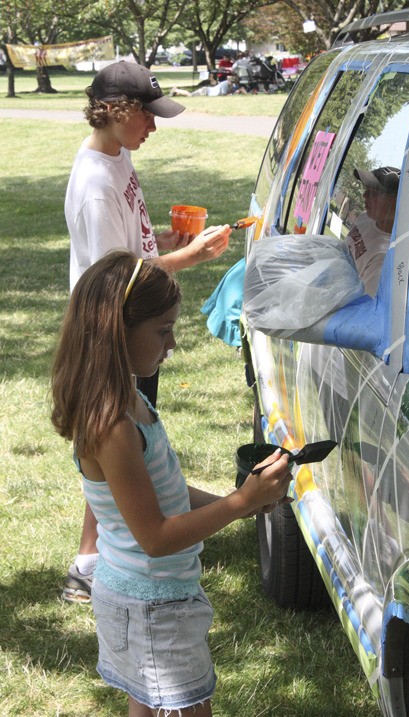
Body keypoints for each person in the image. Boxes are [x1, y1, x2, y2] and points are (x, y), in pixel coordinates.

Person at [50, 251, 292, 717]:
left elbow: (168, 495)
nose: (173, 342)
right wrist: (242, 500)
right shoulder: (113, 426)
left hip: (145, 599)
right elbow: (156, 538)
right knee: (188, 707)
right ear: (116, 331)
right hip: (151, 607)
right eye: (162, 330)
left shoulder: (130, 402)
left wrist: (239, 502)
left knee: (146, 703)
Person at [63, 60, 232, 604]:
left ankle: (93, 556)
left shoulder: (119, 157)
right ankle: (92, 561)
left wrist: (162, 235)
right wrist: (187, 255)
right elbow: (118, 279)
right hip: (117, 330)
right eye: (147, 117)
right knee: (117, 444)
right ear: (116, 111)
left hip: (133, 322)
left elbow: (131, 245)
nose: (153, 128)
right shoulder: (94, 184)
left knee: (125, 446)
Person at [346, 166, 400, 297]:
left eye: (375, 192)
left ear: (397, 202)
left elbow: (359, 302)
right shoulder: (364, 218)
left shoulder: (384, 257)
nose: (365, 195)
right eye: (367, 188)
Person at [169, 74, 247, 97]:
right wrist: (234, 93)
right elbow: (224, 95)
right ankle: (176, 90)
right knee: (190, 95)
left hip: (207, 91)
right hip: (205, 91)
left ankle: (176, 93)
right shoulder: (226, 84)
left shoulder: (229, 85)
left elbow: (230, 93)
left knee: (190, 95)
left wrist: (239, 91)